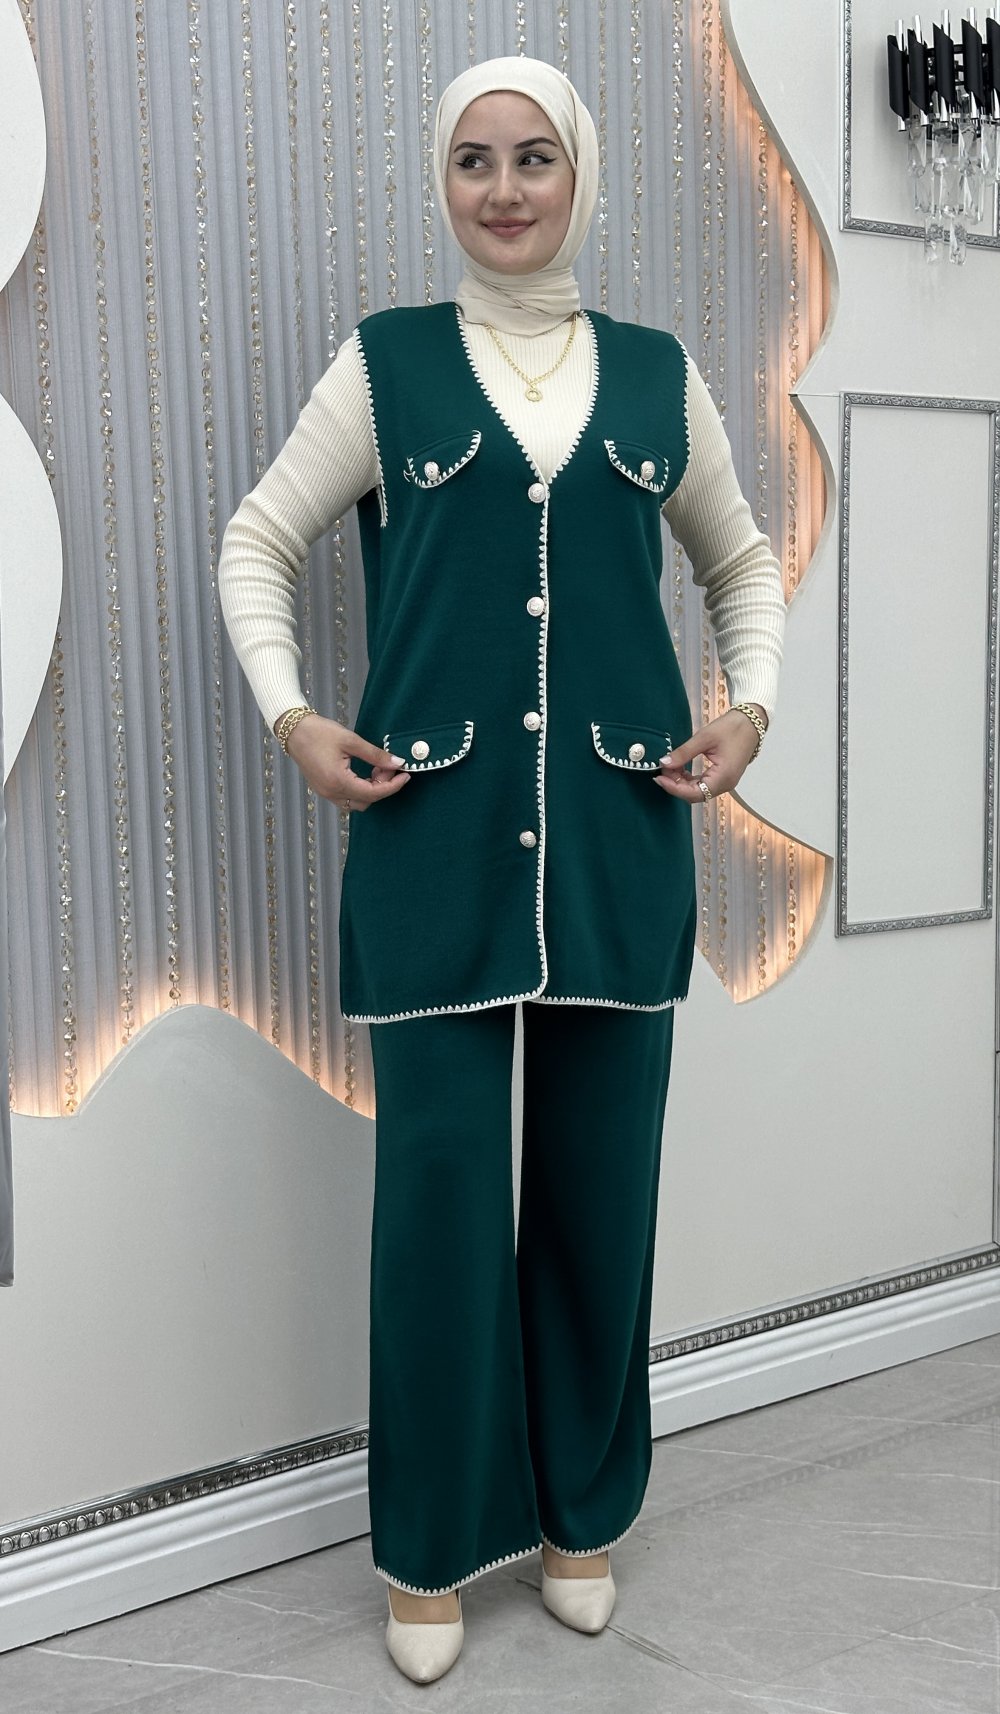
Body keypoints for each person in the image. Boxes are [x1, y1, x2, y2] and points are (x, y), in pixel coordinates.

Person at [218, 55, 784, 1686]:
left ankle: (580, 1514)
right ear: (443, 181)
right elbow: (259, 538)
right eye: (474, 160)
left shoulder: (659, 378)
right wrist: (294, 716)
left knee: (603, 1200)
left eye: (535, 156)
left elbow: (742, 560)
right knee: (442, 1208)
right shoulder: (385, 367)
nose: (506, 187)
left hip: (621, 843)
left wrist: (748, 708)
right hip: (430, 850)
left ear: (579, 172)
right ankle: (430, 1544)